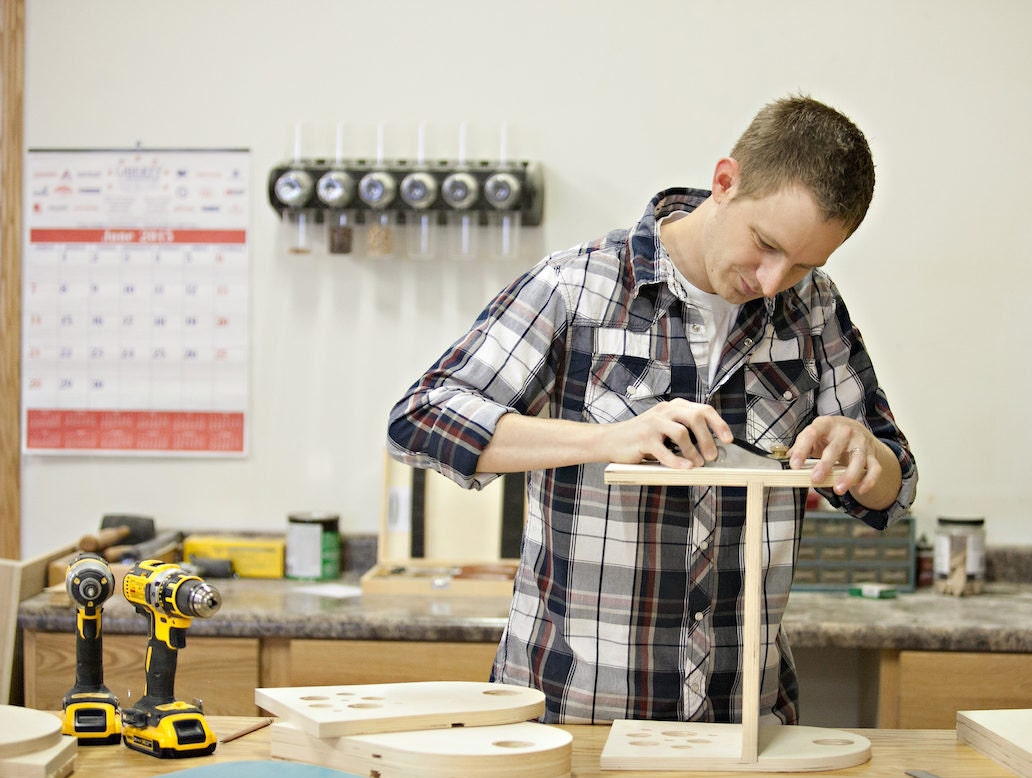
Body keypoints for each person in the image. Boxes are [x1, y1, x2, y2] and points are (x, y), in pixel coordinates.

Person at [387, 95, 918, 725]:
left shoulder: (815, 309)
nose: (774, 280)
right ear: (725, 182)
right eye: (766, 245)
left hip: (742, 720)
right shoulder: (578, 287)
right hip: (576, 719)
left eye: (803, 263)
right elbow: (419, 419)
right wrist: (604, 441)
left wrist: (863, 453)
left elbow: (896, 487)